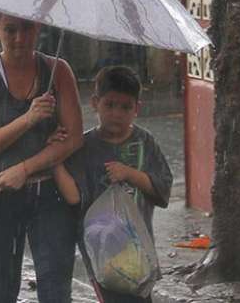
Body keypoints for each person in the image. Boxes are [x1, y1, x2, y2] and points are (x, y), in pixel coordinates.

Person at [0, 13, 84, 303]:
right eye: (10, 30)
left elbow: (74, 138)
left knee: (55, 285)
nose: (20, 38)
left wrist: (25, 168)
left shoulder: (58, 71)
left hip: (50, 192)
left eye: (27, 28)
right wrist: (28, 119)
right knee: (3, 288)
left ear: (39, 26)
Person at [66, 66, 173, 303]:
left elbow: (162, 188)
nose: (117, 114)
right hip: (100, 251)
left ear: (137, 108)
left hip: (138, 250)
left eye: (126, 107)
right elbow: (74, 197)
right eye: (110, 105)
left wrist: (130, 174)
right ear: (95, 103)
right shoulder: (84, 147)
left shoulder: (146, 142)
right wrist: (56, 157)